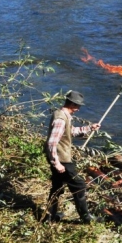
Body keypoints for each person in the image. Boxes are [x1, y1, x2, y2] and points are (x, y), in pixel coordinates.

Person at [44, 90, 100, 223]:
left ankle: (49, 217)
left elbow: (71, 132)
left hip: (58, 158)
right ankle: (86, 218)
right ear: (72, 104)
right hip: (61, 159)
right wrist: (56, 163)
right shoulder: (60, 119)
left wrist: (88, 128)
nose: (78, 109)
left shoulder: (63, 115)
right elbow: (52, 142)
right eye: (78, 106)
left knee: (57, 186)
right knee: (79, 185)